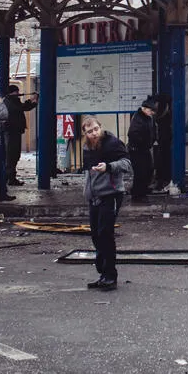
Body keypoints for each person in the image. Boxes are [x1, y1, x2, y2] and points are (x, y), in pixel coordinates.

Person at [81, 115, 132, 291]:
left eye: (96, 129)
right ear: (85, 133)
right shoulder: (87, 147)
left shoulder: (113, 143)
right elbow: (88, 172)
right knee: (96, 234)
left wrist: (108, 167)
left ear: (100, 127)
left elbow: (126, 164)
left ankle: (110, 275)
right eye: (90, 131)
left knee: (105, 233)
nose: (94, 133)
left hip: (111, 194)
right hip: (94, 196)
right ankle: (103, 273)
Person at [3, 85, 37, 186]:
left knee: (13, 155)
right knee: (12, 155)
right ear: (13, 92)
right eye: (17, 92)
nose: (18, 94)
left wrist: (32, 101)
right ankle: (9, 177)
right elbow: (21, 108)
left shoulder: (10, 101)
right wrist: (31, 101)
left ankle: (9, 177)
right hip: (12, 131)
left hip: (13, 131)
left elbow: (22, 107)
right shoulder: (10, 101)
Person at [126, 96, 157, 201]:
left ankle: (142, 189)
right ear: (144, 108)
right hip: (137, 150)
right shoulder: (138, 118)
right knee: (140, 172)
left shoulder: (147, 117)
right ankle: (138, 195)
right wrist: (144, 142)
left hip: (144, 149)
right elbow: (132, 134)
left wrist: (151, 141)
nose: (152, 112)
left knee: (148, 170)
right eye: (150, 110)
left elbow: (152, 131)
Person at [152, 93, 173, 192]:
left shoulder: (162, 114)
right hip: (163, 138)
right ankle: (162, 179)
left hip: (163, 137)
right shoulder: (166, 112)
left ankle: (161, 180)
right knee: (163, 158)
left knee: (162, 158)